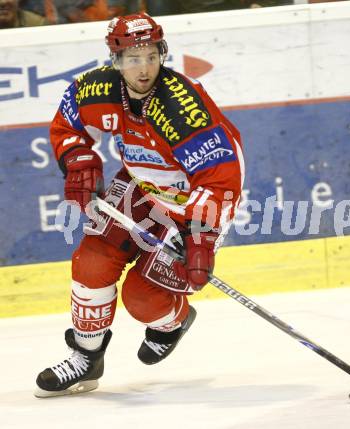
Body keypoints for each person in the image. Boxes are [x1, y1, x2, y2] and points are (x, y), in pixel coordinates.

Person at [34, 12, 244, 397]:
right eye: (132, 58)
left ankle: (174, 321)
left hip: (191, 200)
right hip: (141, 185)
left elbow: (220, 175)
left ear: (162, 53)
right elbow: (68, 124)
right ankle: (86, 356)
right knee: (92, 260)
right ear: (116, 61)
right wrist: (78, 160)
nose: (143, 68)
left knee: (144, 299)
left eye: (150, 55)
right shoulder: (96, 88)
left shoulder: (181, 107)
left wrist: (199, 236)